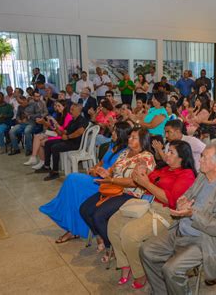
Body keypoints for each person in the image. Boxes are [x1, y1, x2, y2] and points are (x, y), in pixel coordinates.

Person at [139, 143, 216, 295]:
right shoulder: (202, 176)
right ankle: (162, 291)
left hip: (204, 240)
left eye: (204, 158)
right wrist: (182, 201)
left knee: (171, 270)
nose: (199, 161)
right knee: (146, 251)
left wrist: (192, 213)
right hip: (181, 229)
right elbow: (188, 194)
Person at [107, 140, 197, 288]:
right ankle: (126, 263)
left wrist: (146, 183)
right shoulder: (165, 168)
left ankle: (140, 273)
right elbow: (143, 179)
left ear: (182, 157)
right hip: (146, 204)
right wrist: (141, 168)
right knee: (114, 223)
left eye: (171, 152)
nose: (166, 154)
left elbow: (171, 201)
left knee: (129, 235)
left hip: (166, 213)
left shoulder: (186, 175)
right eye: (167, 150)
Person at [39, 122, 131, 243]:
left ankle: (64, 217)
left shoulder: (125, 152)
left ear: (122, 134)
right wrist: (94, 168)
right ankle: (72, 227)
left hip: (105, 182)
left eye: (115, 131)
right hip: (97, 177)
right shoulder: (112, 145)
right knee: (73, 190)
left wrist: (97, 172)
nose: (112, 133)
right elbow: (102, 162)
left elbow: (112, 171)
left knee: (72, 179)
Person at [80, 128, 155, 260]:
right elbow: (113, 170)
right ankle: (101, 238)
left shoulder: (146, 158)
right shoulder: (125, 152)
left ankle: (112, 247)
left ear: (143, 141)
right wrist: (106, 173)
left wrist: (112, 179)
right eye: (130, 136)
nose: (129, 139)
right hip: (114, 188)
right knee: (84, 209)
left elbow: (135, 182)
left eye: (134, 137)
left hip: (131, 194)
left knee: (99, 215)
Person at [34, 103, 89, 181]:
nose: (70, 111)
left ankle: (55, 172)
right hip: (68, 141)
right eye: (70, 109)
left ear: (78, 111)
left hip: (76, 144)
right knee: (48, 143)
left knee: (55, 148)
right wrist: (56, 129)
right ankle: (46, 166)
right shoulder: (72, 121)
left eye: (72, 110)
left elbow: (80, 131)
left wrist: (68, 137)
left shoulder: (82, 120)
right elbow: (64, 132)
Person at [24, 100, 72, 168]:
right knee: (37, 136)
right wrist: (49, 122)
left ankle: (41, 161)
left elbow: (64, 131)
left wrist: (53, 123)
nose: (57, 108)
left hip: (60, 135)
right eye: (56, 106)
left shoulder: (68, 116)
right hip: (56, 133)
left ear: (65, 107)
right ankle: (35, 158)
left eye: (59, 106)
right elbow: (53, 127)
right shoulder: (59, 114)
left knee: (41, 142)